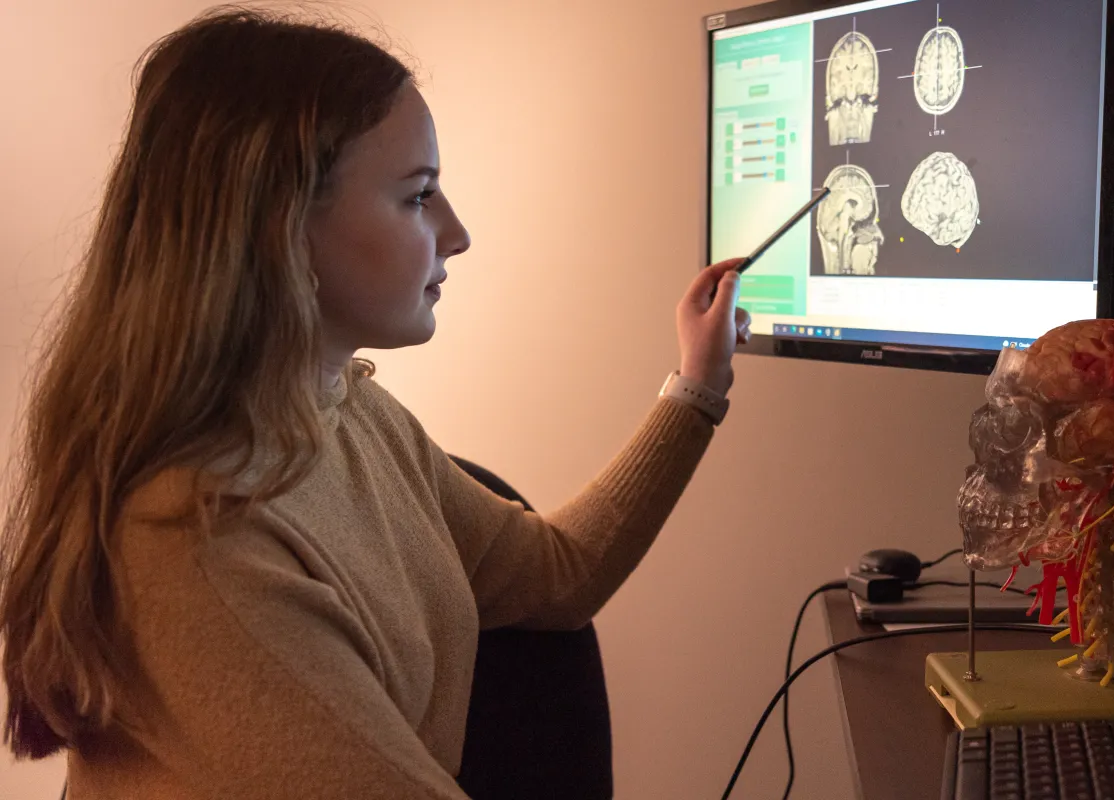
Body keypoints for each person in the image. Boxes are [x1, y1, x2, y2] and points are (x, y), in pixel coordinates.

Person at [0, 8, 748, 798]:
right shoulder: (198, 543)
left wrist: (697, 384)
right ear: (279, 228)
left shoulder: (340, 411)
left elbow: (555, 578)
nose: (456, 233)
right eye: (418, 196)